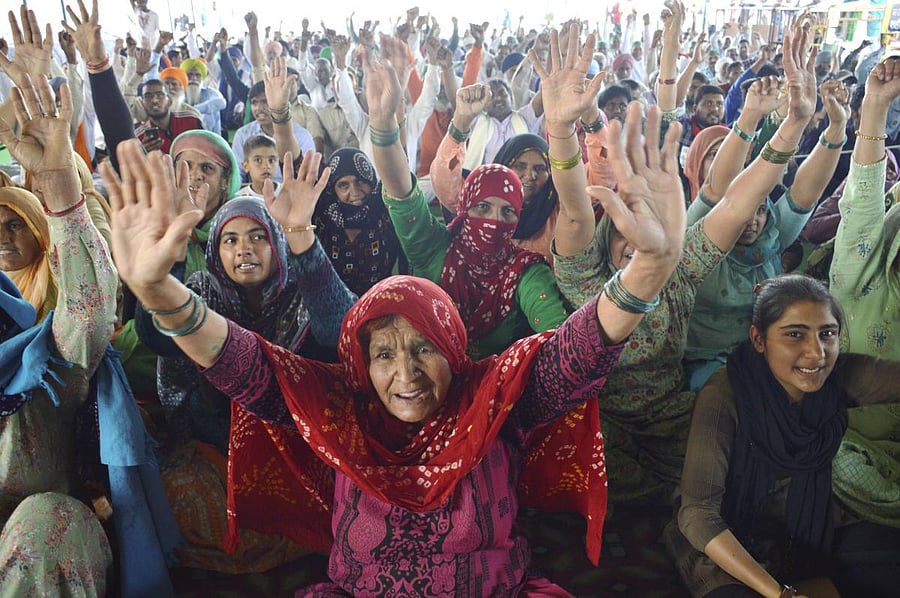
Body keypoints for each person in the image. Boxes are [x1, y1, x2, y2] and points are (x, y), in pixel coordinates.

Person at [102, 19, 687, 588]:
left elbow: (573, 350)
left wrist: (650, 268)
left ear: (455, 349)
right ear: (360, 365)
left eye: (424, 348)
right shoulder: (342, 415)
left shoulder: (490, 400)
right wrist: (158, 294)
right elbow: (245, 364)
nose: (405, 374)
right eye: (382, 354)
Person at [538, 17, 822, 505]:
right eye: (626, 221)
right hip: (594, 416)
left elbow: (736, 203)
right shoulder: (583, 269)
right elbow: (574, 203)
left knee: (737, 461)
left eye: (648, 218)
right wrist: (560, 130)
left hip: (669, 412)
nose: (636, 235)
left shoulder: (677, 264)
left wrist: (794, 125)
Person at [0, 20, 177, 594]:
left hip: (41, 520)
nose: (4, 239)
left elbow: (90, 314)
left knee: (50, 526)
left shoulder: (34, 355)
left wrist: (55, 179)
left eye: (14, 224)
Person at [140, 152, 358, 574]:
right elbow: (157, 338)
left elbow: (340, 330)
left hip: (295, 444)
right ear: (217, 248)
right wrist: (167, 265)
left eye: (258, 236)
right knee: (173, 492)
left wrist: (300, 234)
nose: (244, 250)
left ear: (277, 244)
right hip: (215, 444)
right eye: (230, 239)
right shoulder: (202, 289)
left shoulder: (302, 289)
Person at [664, 274, 900, 598]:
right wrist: (779, 594)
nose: (816, 353)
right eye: (794, 335)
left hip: (805, 522)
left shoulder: (834, 377)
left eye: (827, 334)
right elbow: (698, 514)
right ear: (759, 340)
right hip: (727, 534)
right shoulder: (725, 394)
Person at [312, 148, 406, 297]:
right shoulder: (322, 216)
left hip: (380, 304)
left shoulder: (386, 208)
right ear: (332, 189)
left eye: (360, 181)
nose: (355, 191)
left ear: (370, 179)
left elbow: (397, 166)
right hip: (333, 307)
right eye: (343, 185)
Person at [135, 78, 204, 154]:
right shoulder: (140, 136)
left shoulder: (191, 121)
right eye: (148, 96)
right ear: (142, 103)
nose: (154, 100)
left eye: (160, 95)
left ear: (170, 101)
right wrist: (143, 153)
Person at [182, 58, 227, 136]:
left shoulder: (210, 92)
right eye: (189, 75)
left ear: (202, 78)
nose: (193, 78)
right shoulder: (179, 95)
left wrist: (194, 110)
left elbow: (222, 103)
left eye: (197, 75)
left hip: (211, 140)